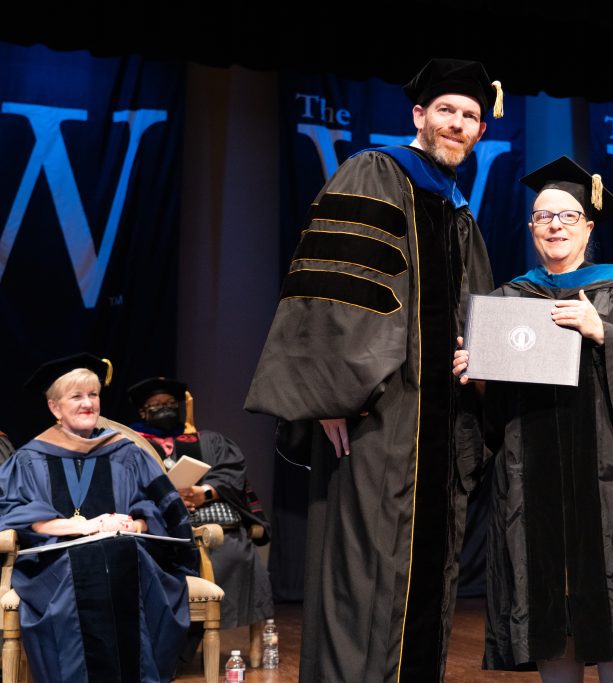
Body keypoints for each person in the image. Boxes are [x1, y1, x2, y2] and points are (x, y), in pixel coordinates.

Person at [246, 58, 498, 682]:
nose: (458, 124)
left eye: (470, 116)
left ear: (480, 132)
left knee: (427, 571)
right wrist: (329, 394)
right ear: (419, 115)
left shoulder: (458, 209)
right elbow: (336, 290)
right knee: (366, 571)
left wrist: (481, 355)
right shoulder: (375, 173)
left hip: (440, 424)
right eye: (447, 110)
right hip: (376, 417)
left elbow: (475, 306)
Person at [454, 156, 613, 681]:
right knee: (548, 597)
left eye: (566, 216)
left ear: (588, 226)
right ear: (531, 228)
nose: (554, 225)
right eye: (543, 217)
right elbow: (494, 409)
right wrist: (479, 373)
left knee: (611, 592)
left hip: (608, 483)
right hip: (533, 478)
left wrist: (604, 331)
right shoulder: (512, 298)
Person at [0, 354, 197, 683]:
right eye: (76, 396)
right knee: (86, 563)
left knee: (125, 557)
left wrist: (133, 524)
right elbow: (17, 512)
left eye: (93, 394)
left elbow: (156, 508)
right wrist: (83, 526)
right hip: (56, 559)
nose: (87, 403)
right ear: (55, 407)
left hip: (126, 550)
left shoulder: (126, 451)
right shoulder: (30, 457)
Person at [127, 376, 272, 633]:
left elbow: (231, 472)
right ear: (142, 411)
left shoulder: (207, 440)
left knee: (233, 549)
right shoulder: (131, 445)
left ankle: (208, 630)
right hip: (157, 528)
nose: (164, 408)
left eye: (170, 403)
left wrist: (203, 493)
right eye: (156, 405)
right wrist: (165, 500)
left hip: (209, 523)